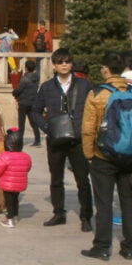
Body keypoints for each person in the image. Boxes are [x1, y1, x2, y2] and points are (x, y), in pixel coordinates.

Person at [80, 51, 132, 261]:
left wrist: (89, 154)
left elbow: (88, 129)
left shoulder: (98, 94)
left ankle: (102, 246)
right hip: (130, 156)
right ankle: (129, 247)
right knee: (128, 201)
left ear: (105, 69)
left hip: (104, 156)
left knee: (103, 203)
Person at [34, 48, 94, 232]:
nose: (64, 65)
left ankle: (86, 216)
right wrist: (46, 127)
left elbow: (93, 109)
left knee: (82, 180)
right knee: (56, 178)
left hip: (77, 138)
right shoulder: (47, 87)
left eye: (67, 61)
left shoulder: (84, 85)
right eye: (60, 62)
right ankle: (58, 212)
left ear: (72, 63)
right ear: (54, 65)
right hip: (56, 139)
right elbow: (35, 110)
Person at [0, 128, 31, 228]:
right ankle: (15, 215)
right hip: (19, 183)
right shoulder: (26, 156)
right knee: (15, 199)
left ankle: (9, 219)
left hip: (8, 184)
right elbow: (28, 168)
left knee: (9, 201)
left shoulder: (5, 156)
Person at [12, 58, 42, 146]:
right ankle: (37, 139)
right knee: (33, 122)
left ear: (26, 68)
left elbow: (19, 90)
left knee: (21, 122)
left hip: (23, 102)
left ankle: (20, 141)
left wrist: (14, 93)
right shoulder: (37, 77)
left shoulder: (25, 79)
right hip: (32, 102)